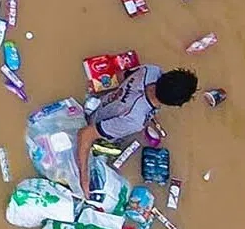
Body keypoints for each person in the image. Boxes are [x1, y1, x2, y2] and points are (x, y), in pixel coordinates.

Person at [76, 65, 197, 194]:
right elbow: (85, 134)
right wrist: (84, 176)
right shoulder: (134, 121)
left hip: (103, 104)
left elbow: (121, 75)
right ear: (174, 104)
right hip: (99, 125)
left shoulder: (150, 70)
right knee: (112, 154)